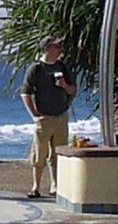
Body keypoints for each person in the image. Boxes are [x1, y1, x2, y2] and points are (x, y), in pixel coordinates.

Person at [20, 36, 76, 198]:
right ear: (46, 49)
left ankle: (55, 185)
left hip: (61, 116)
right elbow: (25, 93)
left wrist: (64, 86)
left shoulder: (62, 67)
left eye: (59, 46)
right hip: (44, 117)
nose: (59, 49)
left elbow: (73, 90)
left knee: (58, 152)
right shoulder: (36, 68)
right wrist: (34, 116)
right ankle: (35, 186)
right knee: (39, 153)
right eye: (56, 47)